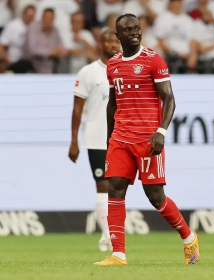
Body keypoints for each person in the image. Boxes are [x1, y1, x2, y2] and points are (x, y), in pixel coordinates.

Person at [94, 13, 200, 266]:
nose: (134, 33)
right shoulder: (113, 64)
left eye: (136, 28)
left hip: (147, 139)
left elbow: (170, 99)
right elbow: (113, 103)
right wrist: (110, 139)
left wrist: (161, 132)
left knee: (155, 196)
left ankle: (188, 237)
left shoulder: (153, 60)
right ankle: (118, 254)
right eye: (127, 30)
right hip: (121, 137)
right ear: (118, 36)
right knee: (115, 188)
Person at [68, 30, 121, 252]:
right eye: (108, 40)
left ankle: (110, 231)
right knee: (102, 184)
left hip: (121, 137)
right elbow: (77, 110)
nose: (112, 44)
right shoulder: (88, 72)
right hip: (97, 137)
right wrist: (73, 141)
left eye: (116, 40)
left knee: (118, 186)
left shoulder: (126, 69)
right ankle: (108, 235)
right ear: (100, 44)